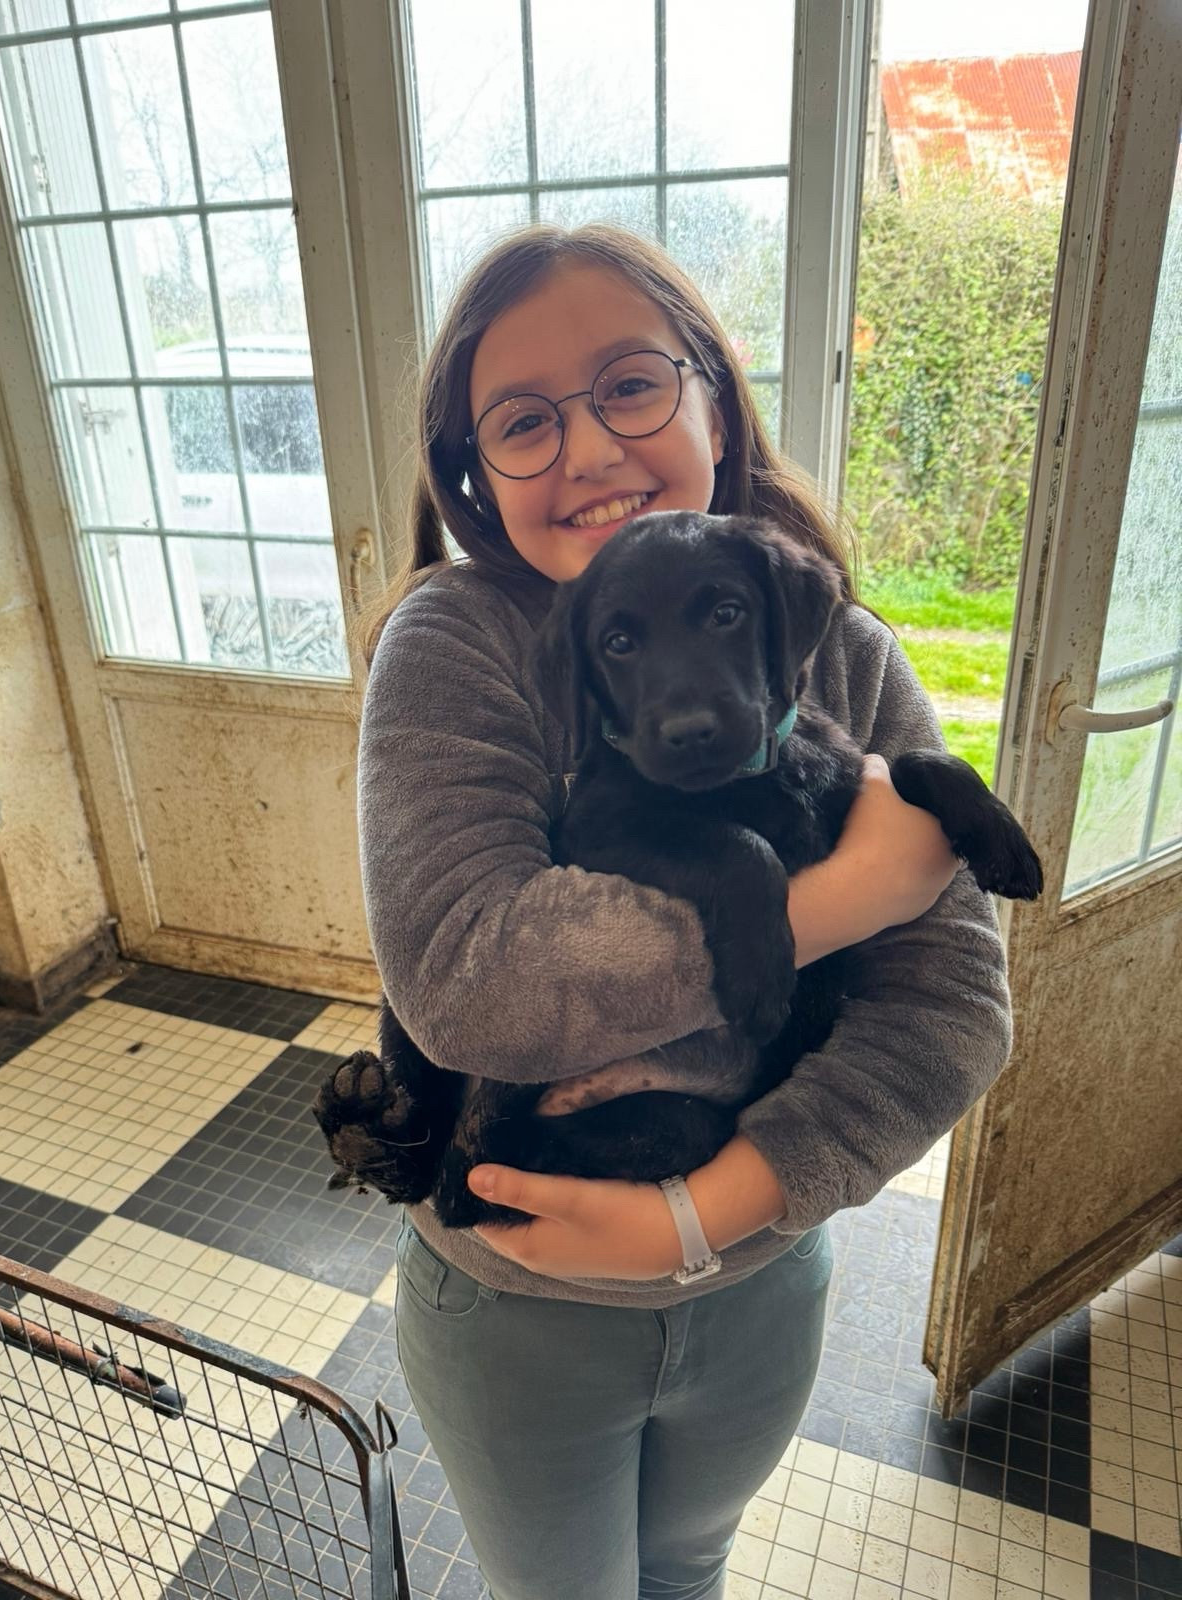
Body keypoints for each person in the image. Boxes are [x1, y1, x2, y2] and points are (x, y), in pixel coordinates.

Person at [353, 223, 1013, 1600]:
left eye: (632, 385)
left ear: (715, 391)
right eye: (524, 421)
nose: (589, 448)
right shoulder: (463, 643)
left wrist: (704, 1218)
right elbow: (470, 983)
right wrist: (846, 895)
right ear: (474, 474)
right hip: (521, 1307)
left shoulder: (841, 641)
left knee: (691, 1565)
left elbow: (952, 1008)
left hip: (761, 1273)